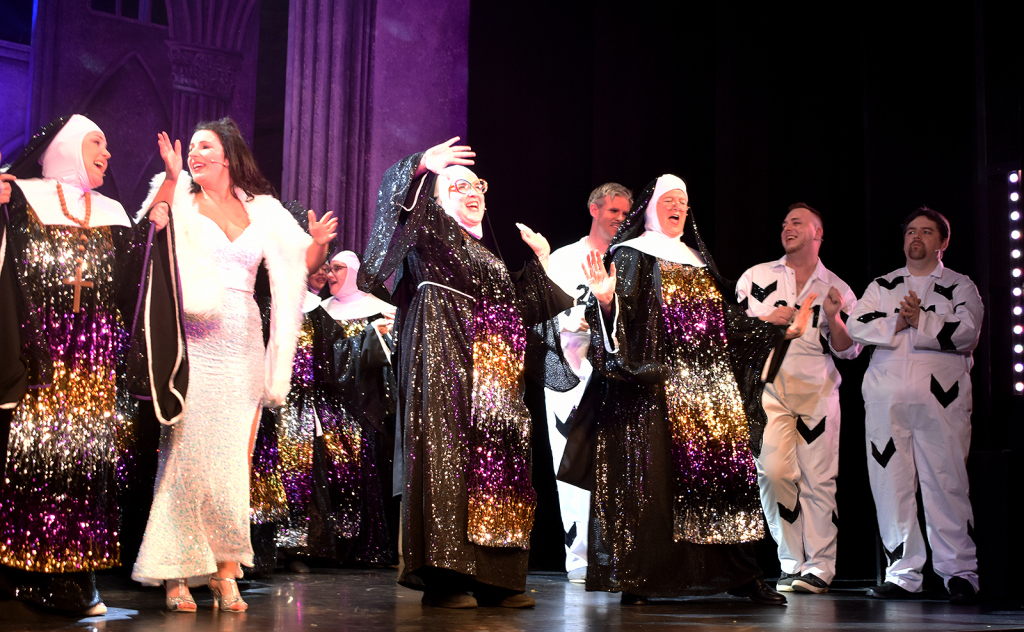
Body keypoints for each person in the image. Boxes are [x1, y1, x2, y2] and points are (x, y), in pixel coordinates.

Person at [357, 138, 576, 609]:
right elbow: (394, 209)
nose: (472, 191)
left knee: (498, 463)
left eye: (477, 185)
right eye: (457, 186)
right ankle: (446, 579)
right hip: (444, 354)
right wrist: (419, 167)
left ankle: (497, 579)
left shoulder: (490, 258)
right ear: (435, 201)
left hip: (494, 376)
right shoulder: (429, 230)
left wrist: (541, 263)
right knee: (447, 457)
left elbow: (519, 312)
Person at [132, 118, 335, 612]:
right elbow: (150, 233)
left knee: (233, 463)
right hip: (195, 340)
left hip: (243, 340)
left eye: (205, 146)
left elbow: (299, 267)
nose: (195, 153)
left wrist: (317, 243)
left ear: (228, 155)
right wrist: (171, 178)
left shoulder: (262, 209)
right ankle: (175, 571)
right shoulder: (182, 197)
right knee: (186, 455)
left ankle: (225, 571)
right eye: (192, 147)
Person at [581, 174, 813, 606]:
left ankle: (738, 574)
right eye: (669, 200)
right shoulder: (632, 254)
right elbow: (620, 322)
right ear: (650, 207)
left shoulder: (696, 260)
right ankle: (642, 577)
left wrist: (776, 329)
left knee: (724, 483)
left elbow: (725, 322)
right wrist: (607, 302)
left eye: (683, 202)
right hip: (658, 388)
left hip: (709, 391)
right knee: (656, 484)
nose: (677, 208)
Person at [0, 116, 144, 615]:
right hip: (41, 353)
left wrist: (161, 211)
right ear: (66, 147)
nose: (107, 153)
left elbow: (133, 281)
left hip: (93, 359)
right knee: (36, 462)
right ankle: (21, 570)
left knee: (83, 467)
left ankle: (75, 576)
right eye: (96, 142)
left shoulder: (112, 213)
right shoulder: (21, 200)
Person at [848, 207, 983, 604]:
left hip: (941, 398)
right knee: (890, 485)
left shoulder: (959, 285)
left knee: (946, 483)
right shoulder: (883, 284)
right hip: (886, 399)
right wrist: (898, 321)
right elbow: (856, 325)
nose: (916, 237)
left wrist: (921, 320)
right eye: (910, 231)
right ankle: (903, 574)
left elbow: (968, 332)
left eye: (926, 231)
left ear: (943, 242)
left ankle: (960, 573)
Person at [736, 203, 860, 594]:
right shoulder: (757, 276)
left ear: (817, 232)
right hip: (770, 390)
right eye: (785, 223)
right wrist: (766, 321)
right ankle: (791, 562)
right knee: (773, 474)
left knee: (818, 480)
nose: (787, 227)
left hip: (816, 392)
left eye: (797, 222)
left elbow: (850, 350)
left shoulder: (836, 286)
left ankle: (820, 567)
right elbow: (733, 329)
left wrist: (834, 318)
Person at [273, 250, 398, 567]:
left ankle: (362, 548)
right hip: (327, 410)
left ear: (356, 272)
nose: (330, 274)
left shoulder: (383, 310)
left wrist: (380, 336)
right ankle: (330, 547)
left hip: (366, 409)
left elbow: (389, 366)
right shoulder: (320, 310)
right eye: (327, 269)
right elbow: (325, 360)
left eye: (338, 268)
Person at [543, 182, 631, 582]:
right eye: (614, 211)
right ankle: (579, 558)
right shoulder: (564, 259)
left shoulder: (628, 259)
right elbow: (541, 311)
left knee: (619, 463)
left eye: (626, 213)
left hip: (617, 375)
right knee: (571, 464)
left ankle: (619, 555)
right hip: (569, 374)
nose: (620, 219)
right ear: (594, 210)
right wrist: (572, 319)